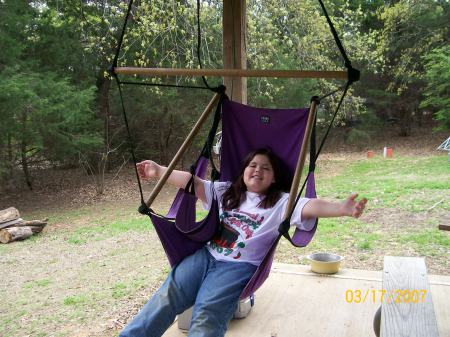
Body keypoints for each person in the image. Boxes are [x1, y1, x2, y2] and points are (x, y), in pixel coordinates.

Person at [119, 148, 367, 337]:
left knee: (207, 313)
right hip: (206, 256)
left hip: (238, 267)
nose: (257, 170)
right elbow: (191, 182)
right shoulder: (226, 191)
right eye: (253, 165)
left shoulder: (282, 203)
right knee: (167, 296)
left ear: (273, 178)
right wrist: (159, 171)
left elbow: (312, 205)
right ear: (244, 170)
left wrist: (340, 208)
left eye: (266, 168)